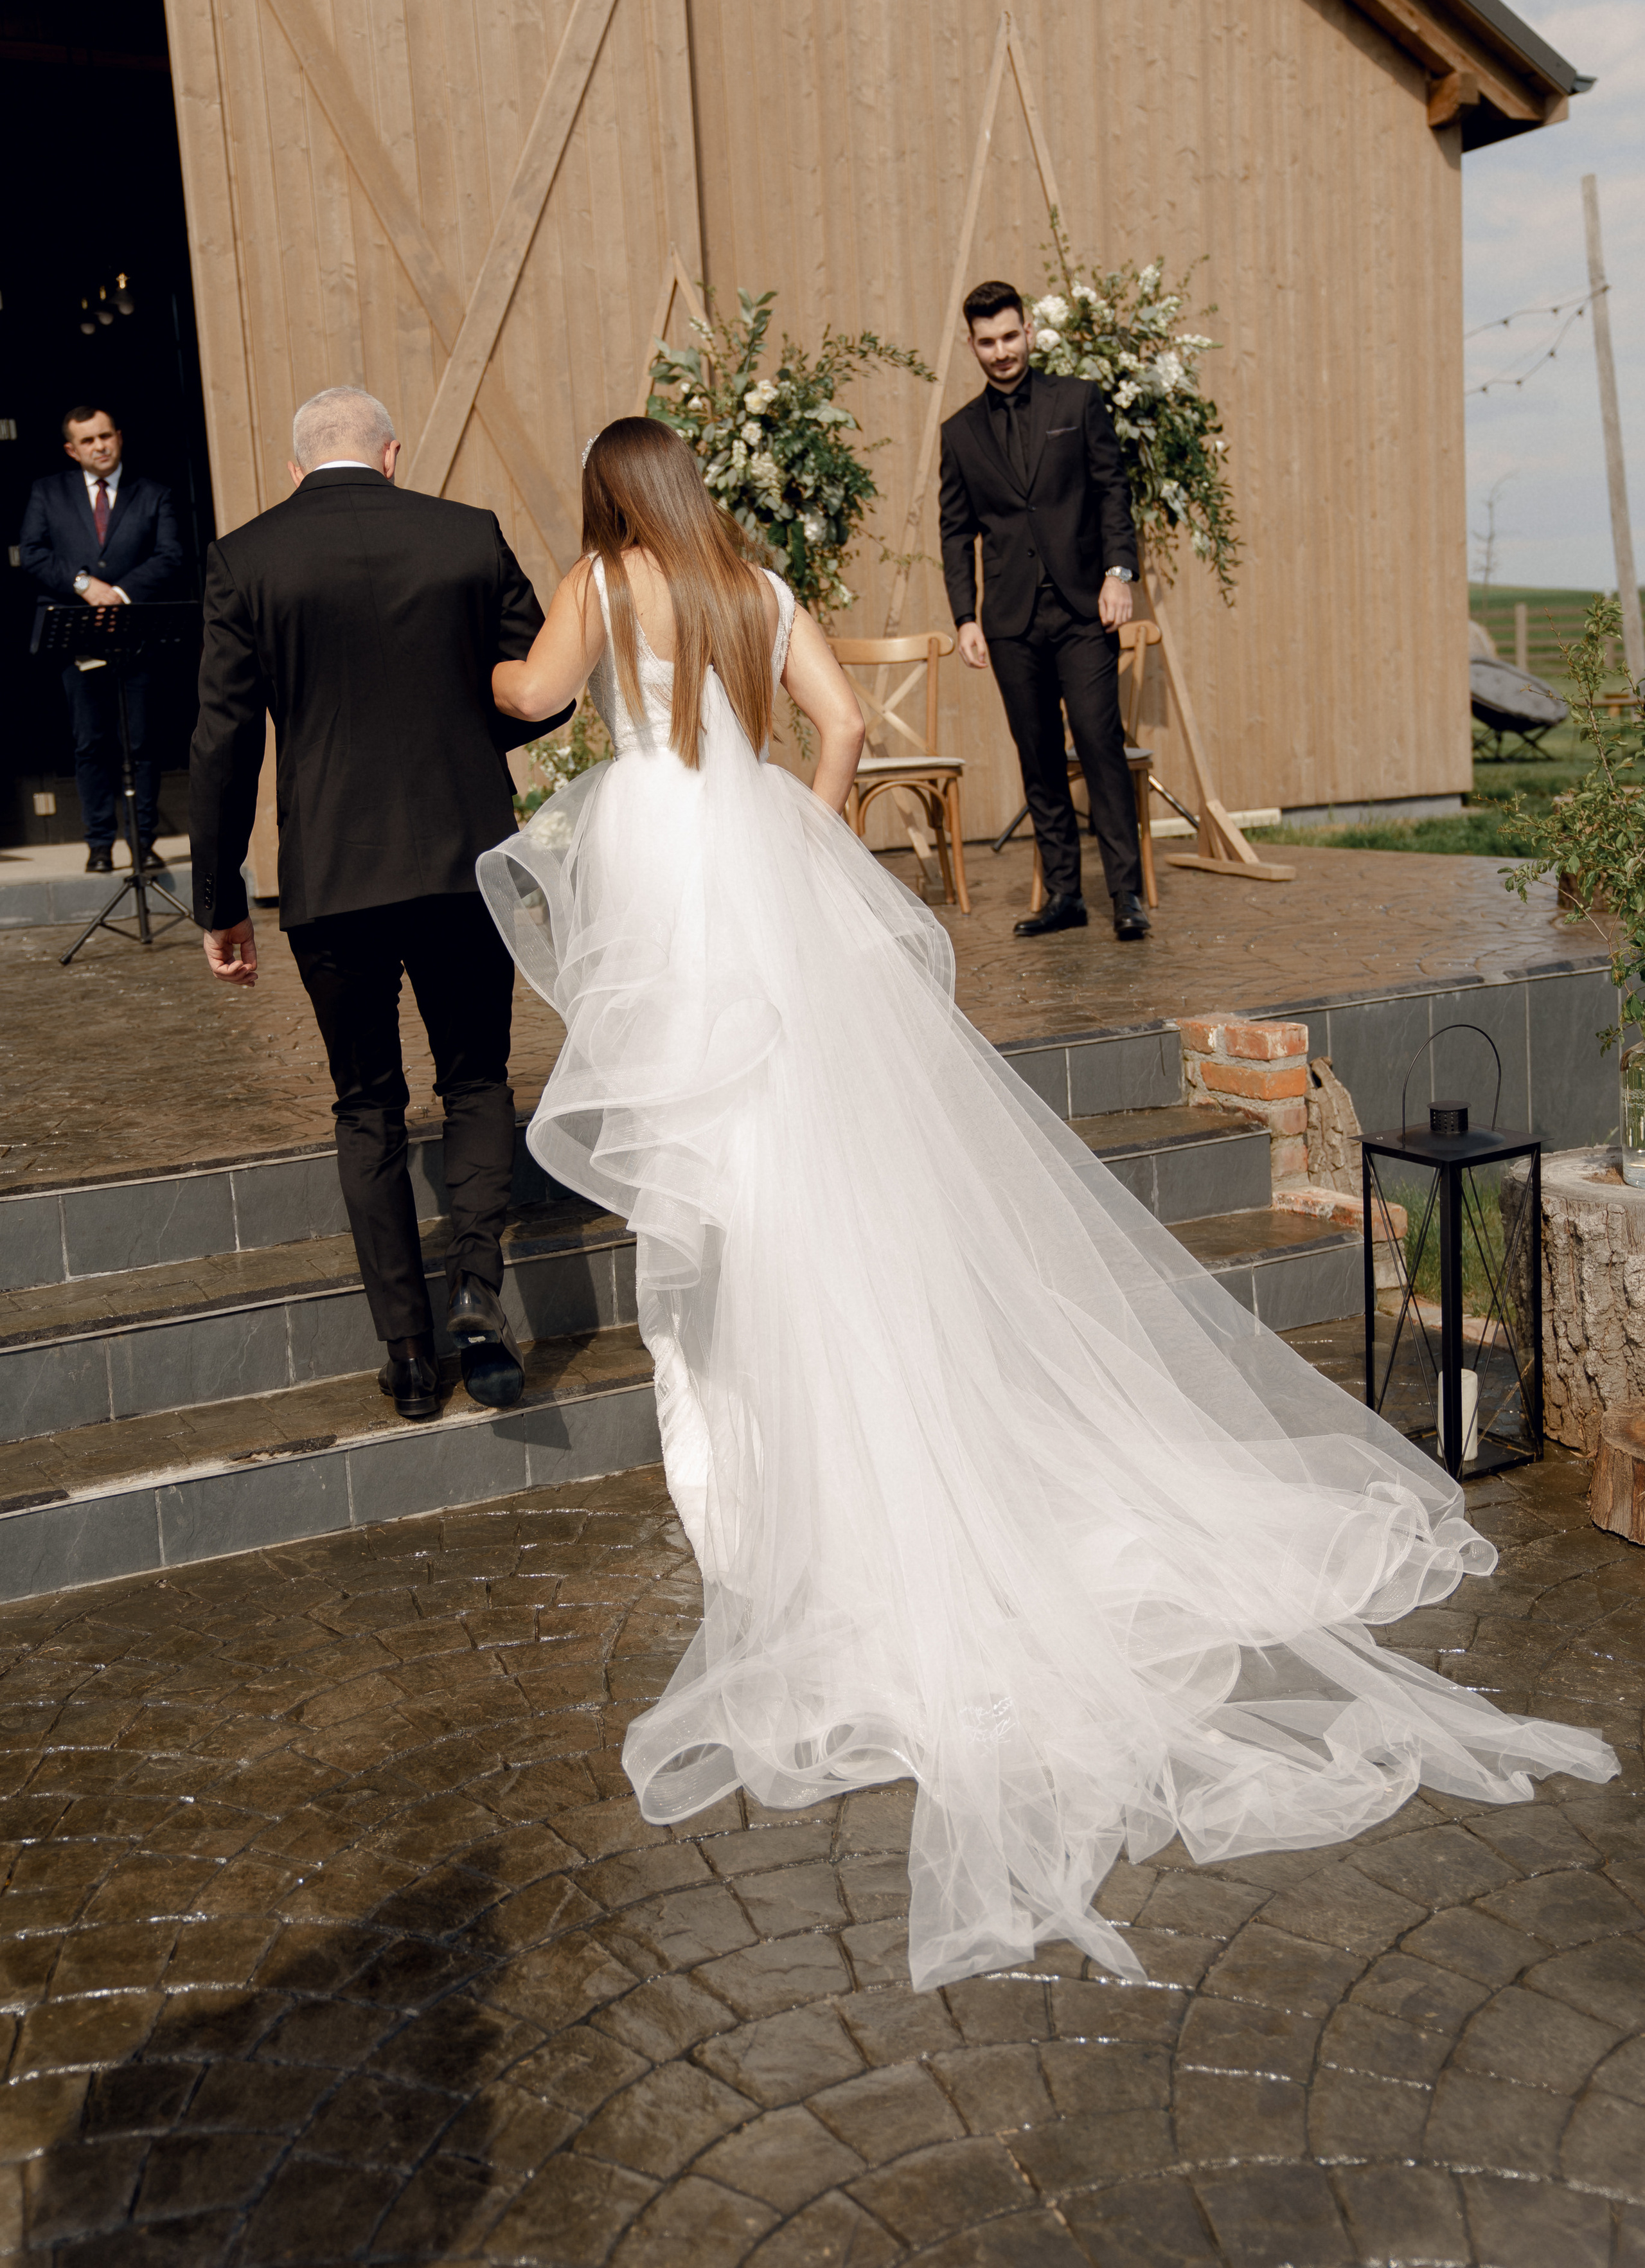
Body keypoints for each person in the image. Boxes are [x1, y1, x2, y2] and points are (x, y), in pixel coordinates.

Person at [477, 416, 1615, 1994]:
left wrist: (489, 660)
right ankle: (830, 1426)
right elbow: (837, 733)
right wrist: (794, 827)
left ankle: (749, 1471)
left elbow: (533, 699)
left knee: (709, 1162)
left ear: (611, 499)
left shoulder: (600, 575)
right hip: (753, 863)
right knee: (808, 1149)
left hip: (667, 873)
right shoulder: (751, 579)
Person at [190, 385, 570, 1422]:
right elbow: (548, 685)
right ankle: (481, 1297)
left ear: (296, 467)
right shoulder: (467, 535)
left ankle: (408, 1356)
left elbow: (223, 743)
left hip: (334, 876)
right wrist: (459, 746)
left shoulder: (248, 559)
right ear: (393, 455)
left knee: (369, 1106)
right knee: (479, 1078)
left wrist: (219, 897)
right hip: (461, 858)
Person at [939, 282, 1147, 942]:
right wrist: (964, 618)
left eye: (1009, 336)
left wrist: (1119, 574)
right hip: (1008, 619)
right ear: (970, 345)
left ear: (1028, 331)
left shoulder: (1077, 401)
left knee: (1097, 743)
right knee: (1036, 756)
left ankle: (1126, 897)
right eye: (986, 341)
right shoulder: (959, 433)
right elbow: (953, 532)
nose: (1000, 352)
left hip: (1085, 610)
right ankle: (1064, 895)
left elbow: (1114, 491)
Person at [20, 406, 183, 872]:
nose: (100, 446)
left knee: (142, 742)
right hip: (77, 639)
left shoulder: (153, 494)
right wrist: (83, 584)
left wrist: (121, 594)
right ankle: (98, 844)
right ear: (72, 449)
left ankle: (143, 841)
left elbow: (171, 556)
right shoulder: (47, 492)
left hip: (137, 635)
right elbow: (32, 553)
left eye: (106, 436)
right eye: (88, 441)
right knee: (90, 742)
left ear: (120, 437)